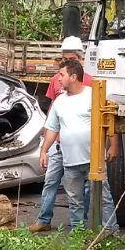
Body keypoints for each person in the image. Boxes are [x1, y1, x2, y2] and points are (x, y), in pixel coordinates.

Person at [38, 59, 118, 230]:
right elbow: (52, 129)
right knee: (75, 202)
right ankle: (78, 235)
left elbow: (108, 120)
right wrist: (44, 150)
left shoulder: (93, 95)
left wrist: (113, 145)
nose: (58, 78)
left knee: (103, 198)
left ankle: (111, 232)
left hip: (93, 159)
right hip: (70, 162)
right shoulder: (60, 101)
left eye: (62, 74)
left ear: (73, 76)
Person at [30, 36, 94, 233]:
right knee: (51, 180)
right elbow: (53, 109)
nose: (65, 61)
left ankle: (79, 225)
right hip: (58, 142)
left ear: (79, 59)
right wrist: (46, 143)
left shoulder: (89, 83)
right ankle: (44, 219)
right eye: (64, 58)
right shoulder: (56, 80)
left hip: (81, 149)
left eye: (70, 58)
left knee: (83, 188)